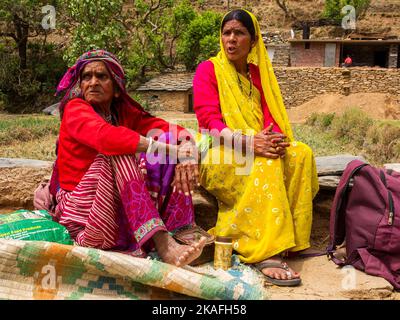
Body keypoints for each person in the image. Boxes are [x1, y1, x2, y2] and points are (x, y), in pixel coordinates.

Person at [193, 9, 319, 286]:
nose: (231, 39)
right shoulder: (209, 70)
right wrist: (249, 142)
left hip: (256, 141)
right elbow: (209, 122)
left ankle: (294, 241)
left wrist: (273, 139)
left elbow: (271, 114)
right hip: (219, 149)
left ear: (253, 39)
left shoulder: (256, 74)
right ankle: (266, 251)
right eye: (227, 33)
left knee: (301, 154)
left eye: (239, 33)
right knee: (265, 162)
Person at [48, 49, 206, 267]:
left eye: (102, 77)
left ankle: (181, 230)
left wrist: (186, 147)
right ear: (80, 86)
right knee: (120, 152)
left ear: (116, 89)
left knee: (170, 142)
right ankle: (163, 243)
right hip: (82, 218)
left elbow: (164, 129)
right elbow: (107, 138)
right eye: (87, 77)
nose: (93, 82)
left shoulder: (121, 112)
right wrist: (170, 150)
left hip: (116, 214)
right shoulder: (76, 109)